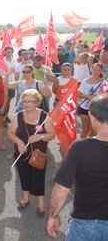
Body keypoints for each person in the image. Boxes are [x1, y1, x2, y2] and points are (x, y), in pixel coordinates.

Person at [47, 94, 108, 240]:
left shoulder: (80, 148)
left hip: (85, 224)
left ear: (91, 116)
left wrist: (53, 216)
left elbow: (62, 189)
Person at [7, 89, 55, 216]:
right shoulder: (17, 116)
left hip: (38, 155)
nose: (27, 104)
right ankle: (26, 198)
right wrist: (18, 142)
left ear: (37, 102)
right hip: (21, 153)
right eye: (25, 101)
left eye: (31, 101)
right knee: (24, 176)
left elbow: (52, 135)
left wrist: (40, 137)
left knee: (39, 177)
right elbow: (11, 133)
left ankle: (41, 203)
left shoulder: (45, 117)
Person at [77, 63, 106, 138]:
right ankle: (82, 146)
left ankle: (90, 146)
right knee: (85, 129)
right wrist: (88, 96)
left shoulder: (104, 83)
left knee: (93, 130)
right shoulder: (85, 81)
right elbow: (78, 94)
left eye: (98, 70)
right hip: (85, 108)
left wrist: (99, 97)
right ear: (91, 70)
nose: (96, 72)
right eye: (95, 69)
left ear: (101, 71)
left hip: (98, 109)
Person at [3, 46, 18, 124]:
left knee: (8, 101)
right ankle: (2, 118)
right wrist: (9, 71)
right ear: (5, 52)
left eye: (10, 52)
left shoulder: (15, 61)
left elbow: (17, 70)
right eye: (7, 52)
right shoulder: (2, 60)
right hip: (4, 84)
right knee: (4, 101)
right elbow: (2, 72)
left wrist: (11, 70)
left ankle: (6, 115)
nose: (9, 54)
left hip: (12, 83)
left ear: (12, 52)